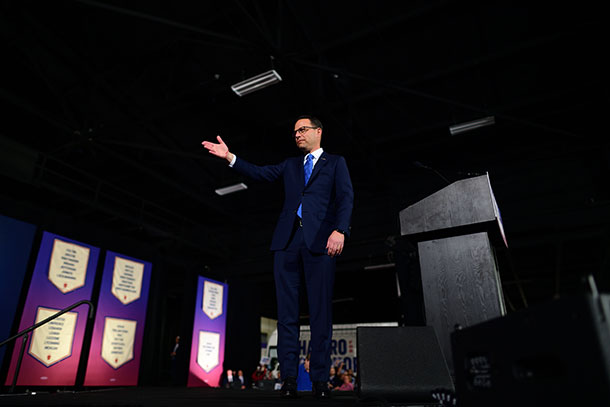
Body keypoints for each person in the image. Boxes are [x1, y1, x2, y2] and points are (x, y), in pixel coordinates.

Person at [202, 115, 354, 399]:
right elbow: (260, 173)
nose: (297, 134)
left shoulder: (335, 163)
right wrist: (230, 157)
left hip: (321, 242)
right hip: (286, 243)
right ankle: (288, 380)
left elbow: (346, 197)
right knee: (286, 316)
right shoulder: (290, 165)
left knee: (321, 313)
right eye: (294, 131)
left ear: (318, 132)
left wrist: (340, 230)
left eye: (303, 129)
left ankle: (320, 380)